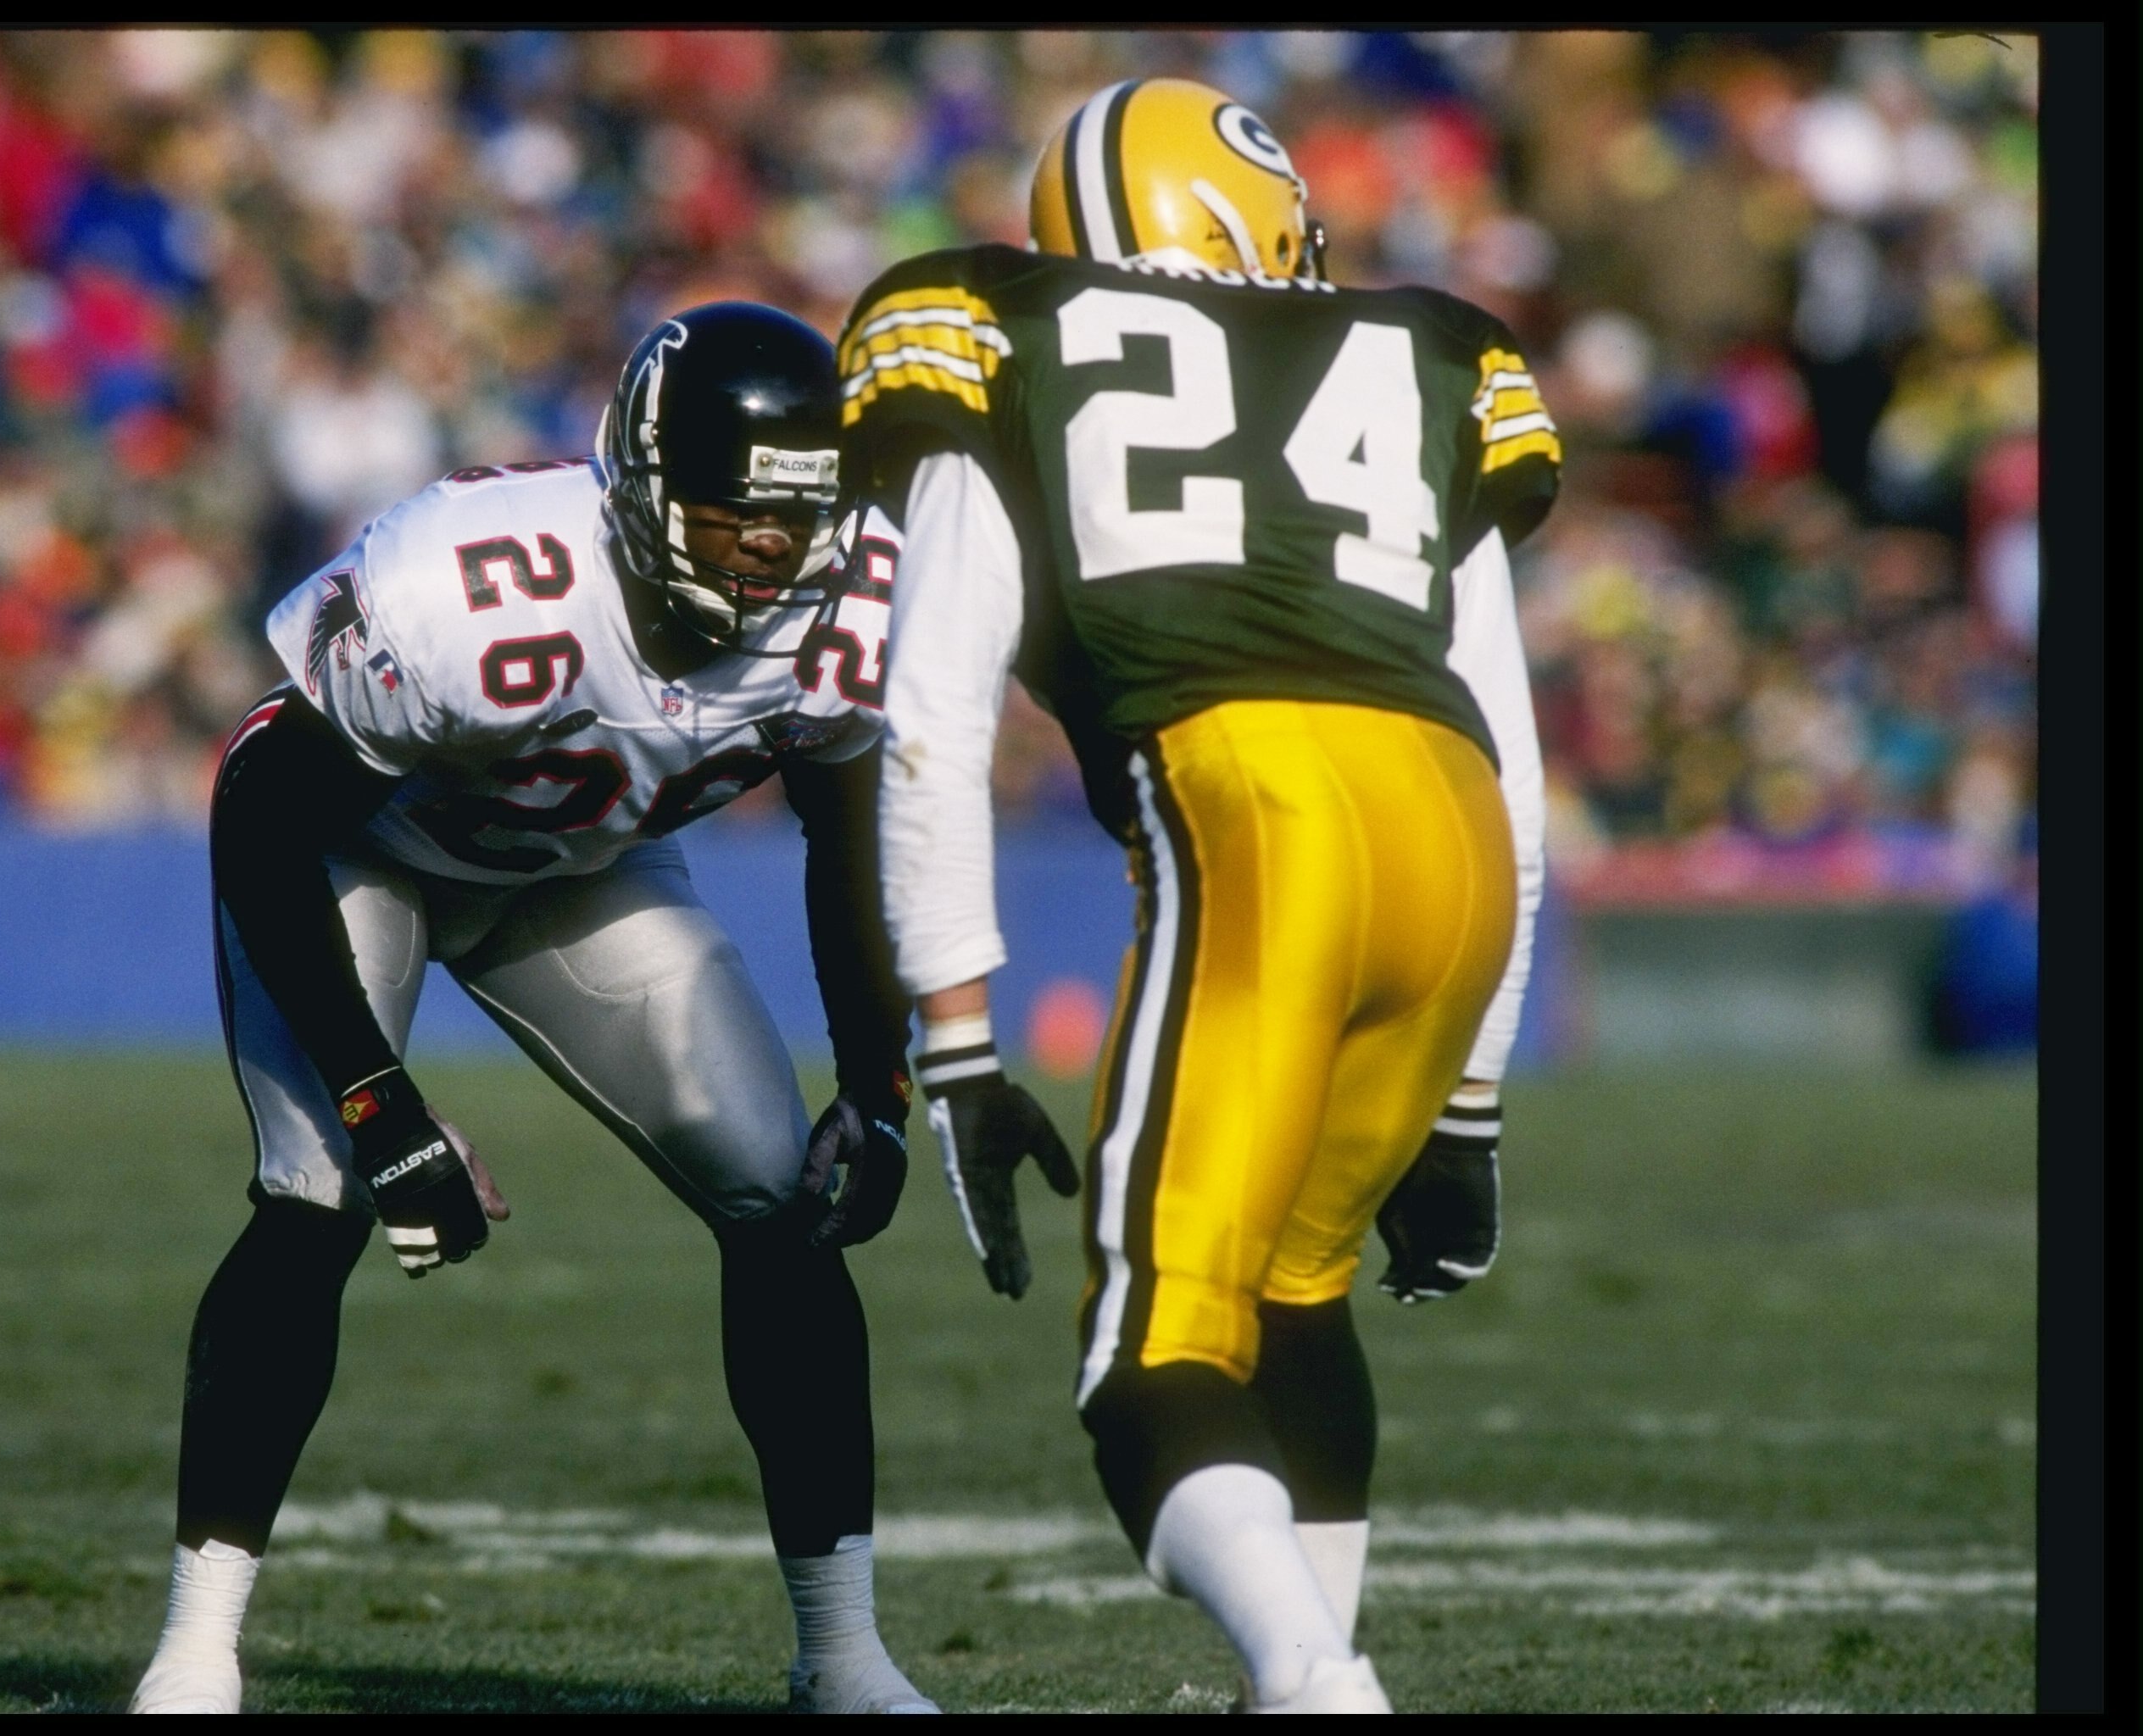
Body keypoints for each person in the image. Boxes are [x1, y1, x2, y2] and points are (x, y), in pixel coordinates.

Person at [839, 79, 1557, 1713]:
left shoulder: (996, 321)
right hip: (1449, 833)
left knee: (1150, 1355)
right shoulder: (1430, 351)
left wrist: (952, 1037)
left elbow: (931, 711)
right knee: (1298, 1286)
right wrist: (1470, 1093)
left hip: (1253, 803)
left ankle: (1310, 1676)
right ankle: (1306, 1678)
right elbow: (1510, 749)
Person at [129, 303, 936, 1715]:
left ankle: (845, 1657)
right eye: (733, 511)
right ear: (637, 481)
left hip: (578, 874)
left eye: (793, 517)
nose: (767, 548)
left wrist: (876, 1085)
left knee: (780, 1194)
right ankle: (197, 1651)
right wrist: (385, 1108)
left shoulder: (849, 594)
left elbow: (848, 830)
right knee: (313, 1189)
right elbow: (263, 800)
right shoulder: (478, 585)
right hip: (359, 855)